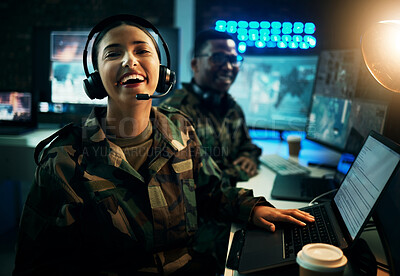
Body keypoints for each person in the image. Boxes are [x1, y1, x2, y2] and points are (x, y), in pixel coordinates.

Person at [13, 15, 314, 276]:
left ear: (162, 71)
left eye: (141, 50)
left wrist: (252, 209)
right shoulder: (64, 159)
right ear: (95, 80)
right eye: (112, 53)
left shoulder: (180, 128)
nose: (129, 61)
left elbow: (212, 191)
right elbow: (39, 266)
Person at [161, 29, 261, 187]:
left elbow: (247, 145)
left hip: (233, 198)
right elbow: (189, 177)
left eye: (233, 59)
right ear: (195, 64)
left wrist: (249, 157)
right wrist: (238, 171)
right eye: (218, 58)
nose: (228, 67)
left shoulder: (232, 108)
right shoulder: (174, 113)